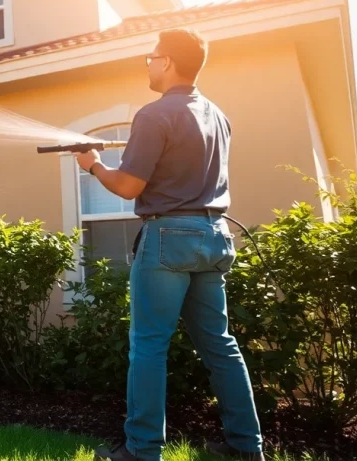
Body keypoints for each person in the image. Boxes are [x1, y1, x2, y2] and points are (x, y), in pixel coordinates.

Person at [75, 29, 264, 461]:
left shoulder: (155, 114)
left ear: (167, 62)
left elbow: (126, 185)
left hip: (169, 239)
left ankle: (142, 450)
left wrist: (94, 165)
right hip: (214, 235)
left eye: (150, 57)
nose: (147, 64)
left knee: (148, 346)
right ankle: (246, 447)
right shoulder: (217, 115)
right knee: (221, 345)